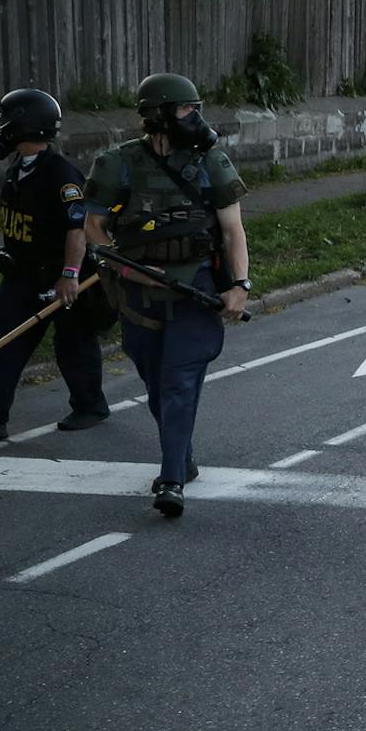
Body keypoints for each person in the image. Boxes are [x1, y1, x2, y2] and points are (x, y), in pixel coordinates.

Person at [84, 73, 250, 517]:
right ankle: (181, 454)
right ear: (157, 116)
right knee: (156, 381)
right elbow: (94, 228)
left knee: (179, 381)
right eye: (184, 110)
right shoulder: (116, 163)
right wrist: (127, 269)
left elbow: (233, 230)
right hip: (136, 291)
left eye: (196, 109)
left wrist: (239, 285)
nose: (194, 119)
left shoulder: (212, 162)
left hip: (195, 288)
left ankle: (171, 478)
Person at [0, 89, 112, 440]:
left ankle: (90, 405)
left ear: (22, 125)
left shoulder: (61, 175)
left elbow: (77, 229)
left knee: (73, 343)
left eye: (5, 121)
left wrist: (69, 275)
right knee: (4, 341)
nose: (0, 129)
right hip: (20, 275)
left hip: (58, 277)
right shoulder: (19, 169)